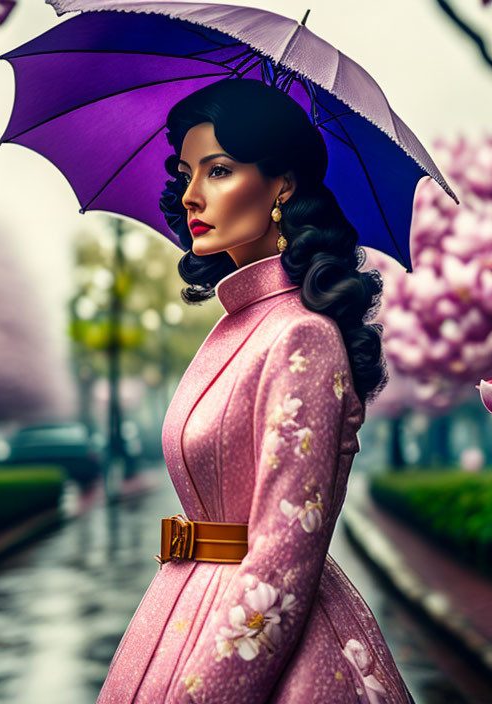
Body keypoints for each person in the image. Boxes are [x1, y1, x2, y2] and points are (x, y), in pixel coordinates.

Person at [97, 79, 414, 704]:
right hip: (183, 605)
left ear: (282, 186)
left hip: (250, 638)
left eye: (218, 170)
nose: (190, 195)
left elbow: (282, 562)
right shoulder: (235, 323)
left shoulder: (302, 336)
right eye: (186, 172)